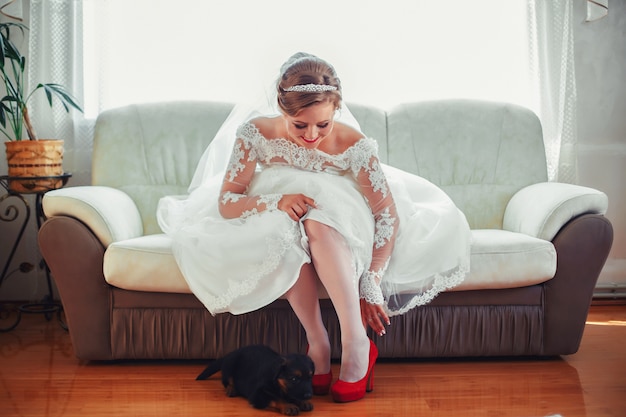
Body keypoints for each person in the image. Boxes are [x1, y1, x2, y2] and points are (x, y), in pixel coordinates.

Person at [157, 52, 471, 403]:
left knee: (317, 217)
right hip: (280, 211)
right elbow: (227, 201)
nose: (311, 136)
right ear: (282, 110)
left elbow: (386, 215)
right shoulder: (256, 134)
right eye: (299, 125)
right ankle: (317, 341)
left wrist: (372, 279)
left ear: (336, 109)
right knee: (284, 225)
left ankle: (356, 342)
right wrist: (274, 201)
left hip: (342, 218)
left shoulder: (353, 144)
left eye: (323, 125)